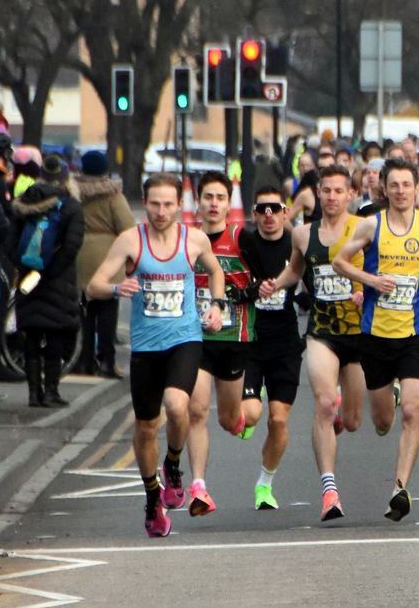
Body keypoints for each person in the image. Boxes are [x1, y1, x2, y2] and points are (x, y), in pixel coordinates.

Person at [85, 173, 224, 537]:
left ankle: (174, 464)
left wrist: (218, 306)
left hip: (185, 338)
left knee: (178, 407)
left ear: (180, 205)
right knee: (146, 427)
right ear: (144, 203)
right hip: (146, 347)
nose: (161, 211)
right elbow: (94, 285)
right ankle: (152, 499)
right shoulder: (131, 240)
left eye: (168, 204)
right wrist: (118, 288)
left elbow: (216, 271)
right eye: (155, 204)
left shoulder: (193, 240)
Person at [331, 158, 419, 523]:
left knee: (413, 412)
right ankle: (389, 398)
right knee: (383, 421)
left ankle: (400, 488)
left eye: (407, 185)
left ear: (418, 189)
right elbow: (339, 261)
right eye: (394, 185)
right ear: (384, 188)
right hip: (376, 335)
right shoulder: (372, 225)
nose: (401, 191)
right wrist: (370, 281)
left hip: (415, 333)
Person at [259, 164, 366, 522]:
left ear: (351, 194)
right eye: (327, 191)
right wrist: (276, 283)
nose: (332, 197)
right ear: (317, 194)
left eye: (339, 191)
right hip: (322, 332)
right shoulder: (304, 235)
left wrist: (364, 292)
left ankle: (339, 417)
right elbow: (296, 269)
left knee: (352, 420)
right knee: (322, 403)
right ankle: (330, 491)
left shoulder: (365, 230)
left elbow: (384, 269)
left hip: (359, 335)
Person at [185, 171, 257, 517]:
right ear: (198, 201)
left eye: (220, 198)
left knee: (229, 420)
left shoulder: (241, 238)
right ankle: (199, 486)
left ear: (229, 204)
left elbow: (270, 272)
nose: (213, 204)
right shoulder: (185, 239)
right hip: (194, 338)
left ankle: (243, 416)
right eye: (208, 197)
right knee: (196, 410)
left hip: (233, 338)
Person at [239, 188, 304, 510]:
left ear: (284, 212)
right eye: (261, 208)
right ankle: (251, 406)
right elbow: (233, 286)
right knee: (251, 415)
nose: (268, 214)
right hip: (250, 340)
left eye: (274, 208)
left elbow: (310, 288)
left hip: (285, 343)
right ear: (254, 213)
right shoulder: (244, 244)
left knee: (278, 421)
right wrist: (254, 290)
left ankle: (264, 485)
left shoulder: (297, 243)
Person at [7, 154, 84, 406]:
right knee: (55, 335)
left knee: (31, 334)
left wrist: (25, 268)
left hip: (28, 279)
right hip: (57, 280)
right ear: (64, 177)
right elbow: (72, 246)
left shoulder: (24, 202)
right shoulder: (70, 206)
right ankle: (51, 391)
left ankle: (33, 393)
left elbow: (11, 242)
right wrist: (50, 271)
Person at [75, 151, 135, 378]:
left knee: (84, 312)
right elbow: (127, 226)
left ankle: (83, 360)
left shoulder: (73, 193)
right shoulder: (112, 195)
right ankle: (107, 361)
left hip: (79, 255)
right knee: (107, 310)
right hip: (108, 255)